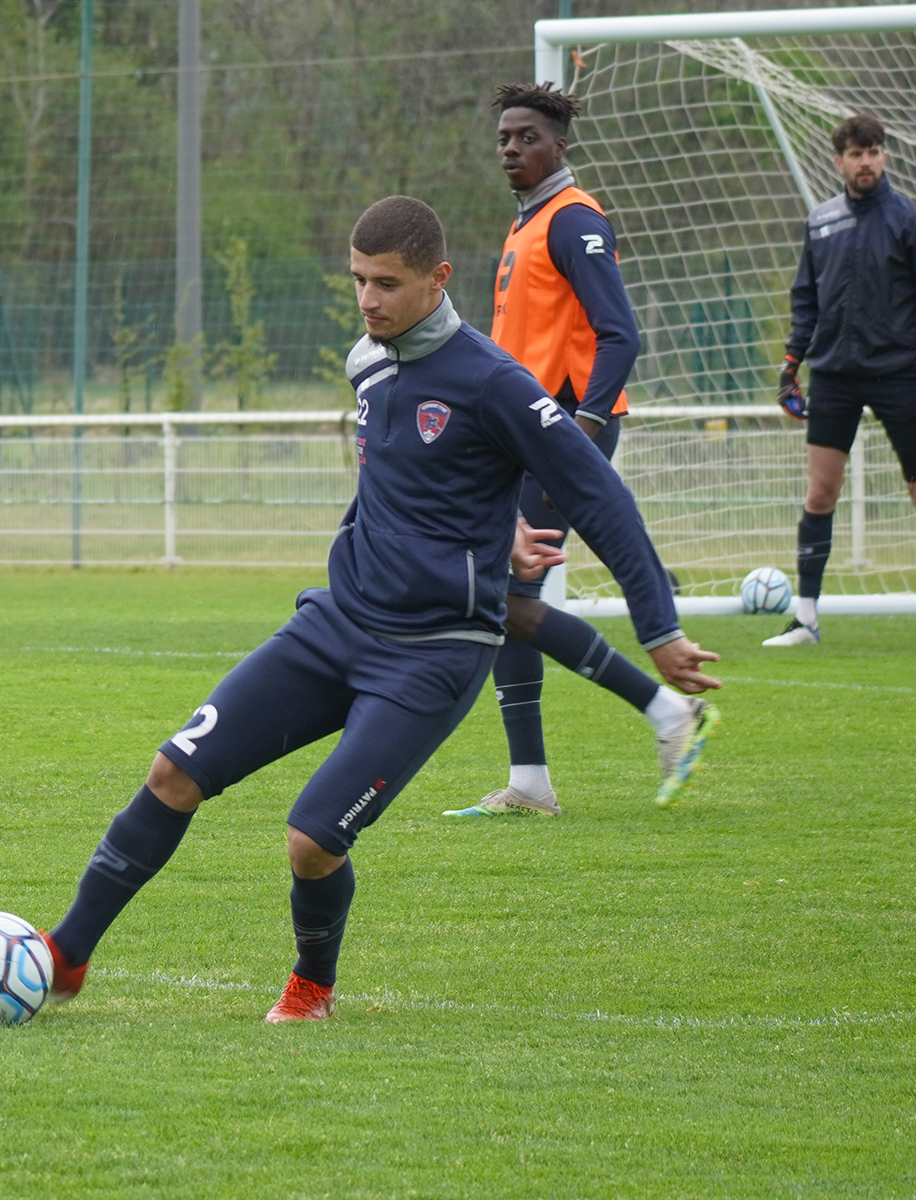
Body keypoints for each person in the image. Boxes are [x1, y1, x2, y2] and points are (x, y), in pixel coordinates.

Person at [36, 197, 721, 1023]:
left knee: (312, 839)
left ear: (438, 279)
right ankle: (65, 954)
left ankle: (312, 988)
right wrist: (495, 527)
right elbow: (411, 477)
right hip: (337, 622)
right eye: (358, 280)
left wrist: (660, 628)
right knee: (173, 772)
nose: (368, 299)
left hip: (434, 653)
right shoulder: (368, 359)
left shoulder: (495, 382)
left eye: (387, 283)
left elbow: (600, 496)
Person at [441, 82, 720, 820]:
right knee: (506, 599)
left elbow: (620, 333)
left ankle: (665, 710)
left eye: (527, 137)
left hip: (561, 430)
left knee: (509, 598)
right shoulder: (527, 223)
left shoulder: (572, 220)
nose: (511, 148)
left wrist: (581, 428)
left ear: (560, 146)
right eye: (504, 138)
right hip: (527, 433)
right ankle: (532, 779)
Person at [767, 112, 916, 646]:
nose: (866, 162)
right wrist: (791, 364)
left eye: (873, 152)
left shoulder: (907, 218)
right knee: (822, 491)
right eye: (856, 154)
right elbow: (806, 299)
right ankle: (805, 619)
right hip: (833, 376)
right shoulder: (821, 221)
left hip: (901, 375)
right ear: (839, 162)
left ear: (884, 155)